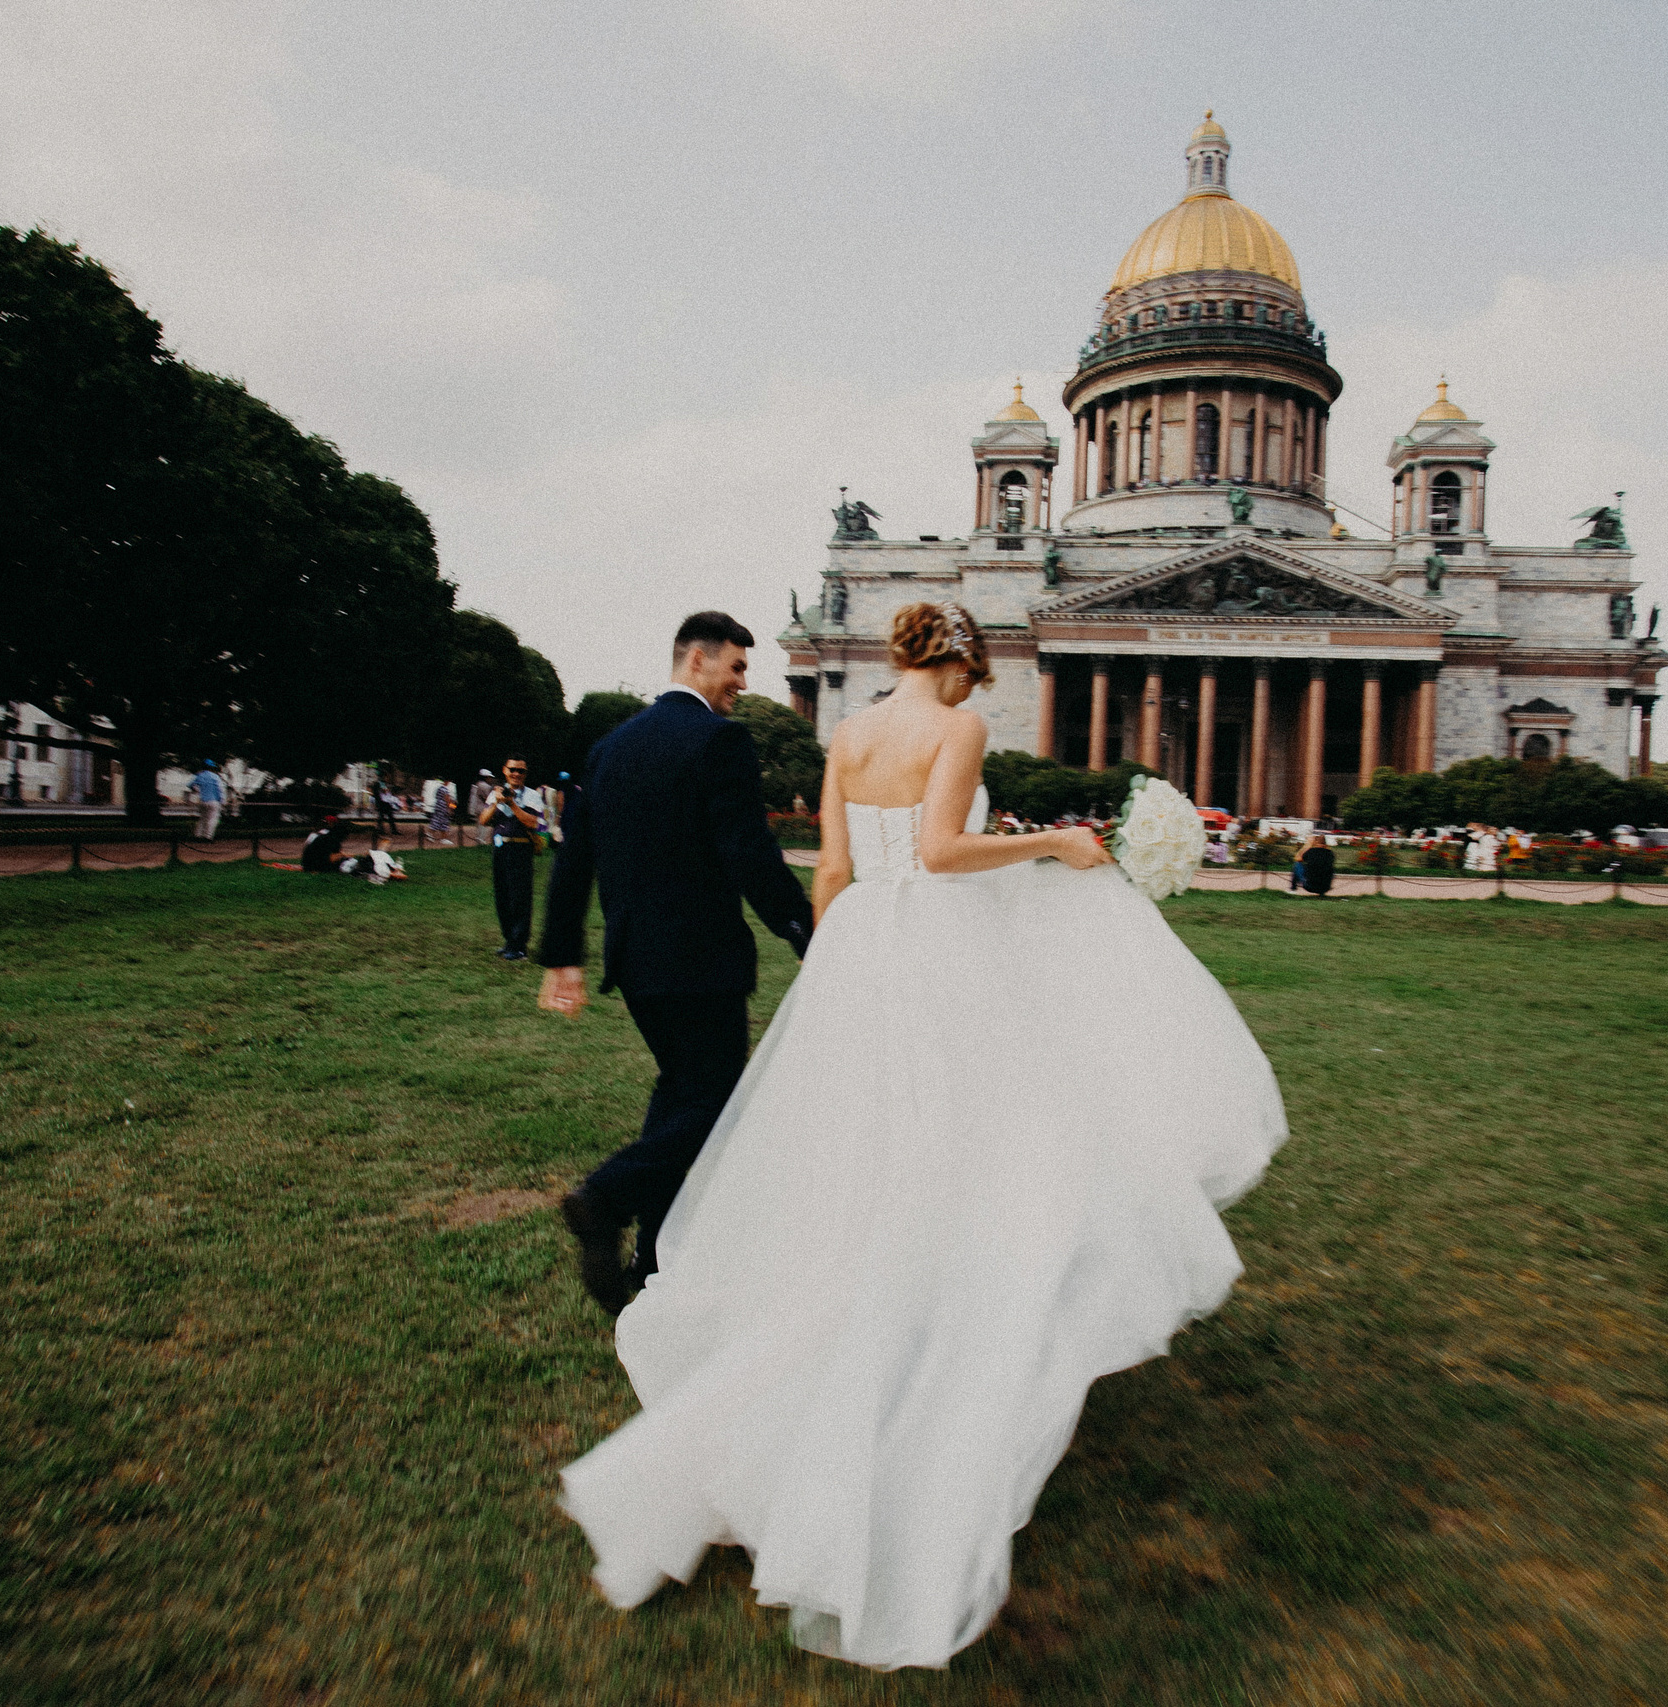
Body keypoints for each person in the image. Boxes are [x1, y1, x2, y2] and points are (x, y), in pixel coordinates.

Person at [551, 602, 1285, 1671]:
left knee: (852, 1155)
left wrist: (833, 962)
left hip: (862, 955)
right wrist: (1058, 843)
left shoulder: (847, 736)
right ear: (963, 663)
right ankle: (944, 1328)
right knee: (976, 1142)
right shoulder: (956, 730)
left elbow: (836, 874)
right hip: (938, 952)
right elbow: (942, 851)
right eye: (976, 676)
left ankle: (858, 1320)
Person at [540, 610, 812, 1314]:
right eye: (737, 668)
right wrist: (805, 929)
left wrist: (563, 955)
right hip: (702, 962)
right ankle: (605, 1196)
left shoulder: (609, 747)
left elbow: (574, 861)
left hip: (637, 964)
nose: (742, 684)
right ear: (697, 659)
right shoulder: (718, 742)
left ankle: (654, 1260)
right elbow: (749, 854)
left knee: (681, 1094)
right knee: (717, 1102)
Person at [480, 759, 547, 960]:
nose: (516, 774)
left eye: (521, 771)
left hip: (520, 848)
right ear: (504, 771)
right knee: (503, 896)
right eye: (512, 770)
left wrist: (513, 804)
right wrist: (498, 803)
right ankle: (509, 939)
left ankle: (519, 945)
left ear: (526, 773)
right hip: (500, 848)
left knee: (520, 897)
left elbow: (535, 823)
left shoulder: (532, 796)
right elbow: (484, 820)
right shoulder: (496, 792)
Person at [190, 762, 227, 840]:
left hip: (203, 800)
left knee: (202, 818)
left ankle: (198, 835)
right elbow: (220, 790)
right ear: (212, 768)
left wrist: (198, 791)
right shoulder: (216, 777)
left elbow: (191, 785)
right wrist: (223, 801)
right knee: (212, 819)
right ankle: (208, 836)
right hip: (214, 801)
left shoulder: (200, 775)